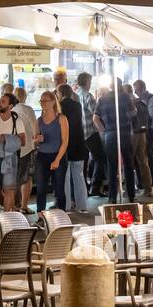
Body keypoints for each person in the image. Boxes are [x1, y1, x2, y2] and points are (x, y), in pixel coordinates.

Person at [94, 85, 138, 204]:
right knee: (129, 165)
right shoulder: (126, 97)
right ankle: (131, 195)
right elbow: (134, 112)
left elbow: (95, 118)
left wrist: (103, 131)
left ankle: (112, 197)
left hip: (110, 134)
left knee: (112, 166)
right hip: (125, 133)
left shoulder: (102, 99)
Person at [33, 91, 69, 212]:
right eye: (41, 101)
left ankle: (62, 214)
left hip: (58, 155)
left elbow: (65, 141)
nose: (43, 103)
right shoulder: (39, 121)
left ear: (53, 102)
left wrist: (57, 160)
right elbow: (35, 141)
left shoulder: (61, 118)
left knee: (59, 188)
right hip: (42, 156)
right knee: (41, 188)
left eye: (45, 101)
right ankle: (40, 215)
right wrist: (37, 140)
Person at [57, 84, 89, 212]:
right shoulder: (77, 105)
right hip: (79, 144)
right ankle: (82, 206)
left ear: (60, 93)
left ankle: (67, 206)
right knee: (79, 177)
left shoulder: (59, 107)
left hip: (65, 145)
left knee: (65, 178)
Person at [76, 72, 106, 196]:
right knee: (100, 159)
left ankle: (84, 188)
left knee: (84, 161)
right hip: (90, 132)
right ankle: (95, 187)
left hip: (80, 133)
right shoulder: (88, 96)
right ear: (87, 82)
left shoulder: (76, 94)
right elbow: (96, 112)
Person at [12, 85, 39, 211]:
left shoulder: (11, 110)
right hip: (28, 146)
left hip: (13, 147)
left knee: (14, 177)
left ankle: (14, 206)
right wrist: (36, 139)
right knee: (27, 178)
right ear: (25, 96)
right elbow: (35, 129)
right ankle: (24, 205)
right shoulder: (28, 109)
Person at [125, 83, 153, 197]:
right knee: (143, 161)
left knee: (129, 162)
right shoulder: (140, 101)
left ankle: (130, 190)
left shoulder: (128, 101)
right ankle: (148, 188)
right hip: (142, 133)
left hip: (132, 133)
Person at [133, 79, 153, 190]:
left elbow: (151, 115)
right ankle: (141, 183)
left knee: (148, 156)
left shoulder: (152, 99)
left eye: (137, 90)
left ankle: (152, 182)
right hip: (139, 131)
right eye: (135, 90)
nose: (136, 92)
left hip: (149, 131)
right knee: (139, 158)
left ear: (143, 88)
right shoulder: (138, 99)